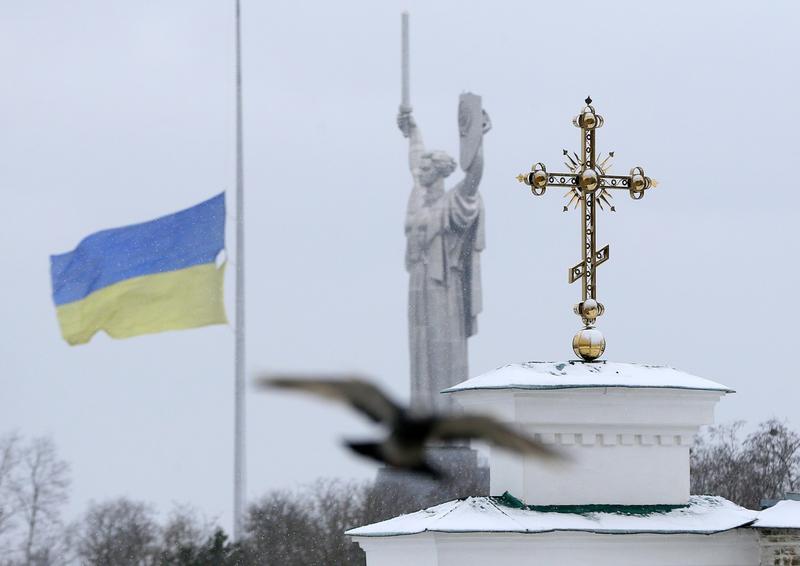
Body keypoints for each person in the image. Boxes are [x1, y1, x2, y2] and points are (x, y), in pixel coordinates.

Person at [397, 102, 489, 413]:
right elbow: (415, 158)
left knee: (443, 351)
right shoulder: (419, 198)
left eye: (425, 169)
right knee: (420, 352)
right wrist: (413, 130)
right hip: (419, 283)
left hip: (445, 287)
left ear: (437, 173)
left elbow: (474, 175)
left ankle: (448, 417)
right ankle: (423, 415)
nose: (419, 172)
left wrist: (476, 139)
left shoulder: (454, 201)